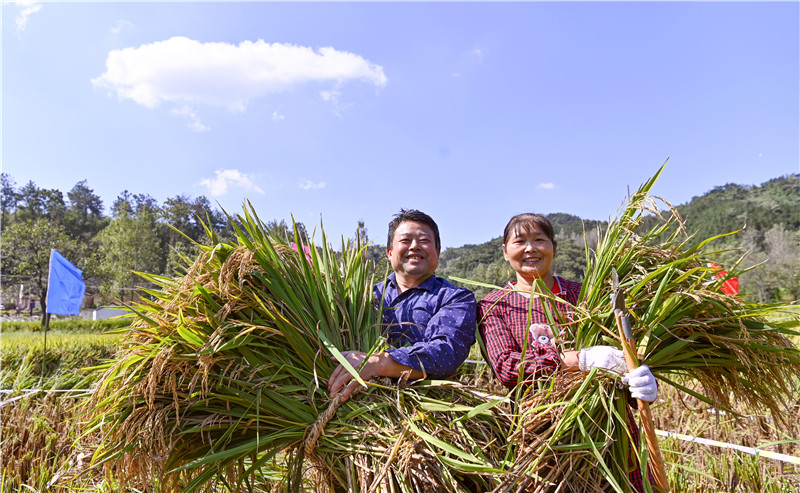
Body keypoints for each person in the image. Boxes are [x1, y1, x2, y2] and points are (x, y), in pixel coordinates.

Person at [478, 213, 657, 492]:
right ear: (505, 251)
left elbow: (621, 351)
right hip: (540, 437)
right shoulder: (494, 305)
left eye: (539, 240)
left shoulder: (583, 295)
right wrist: (576, 360)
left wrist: (639, 378)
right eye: (520, 241)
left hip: (611, 432)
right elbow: (508, 368)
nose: (530, 248)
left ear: (554, 247)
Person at [328, 209, 477, 401]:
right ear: (389, 252)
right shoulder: (362, 296)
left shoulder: (456, 298)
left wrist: (378, 363)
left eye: (424, 241)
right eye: (405, 240)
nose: (415, 246)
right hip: (351, 402)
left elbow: (445, 351)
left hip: (427, 405)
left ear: (438, 252)